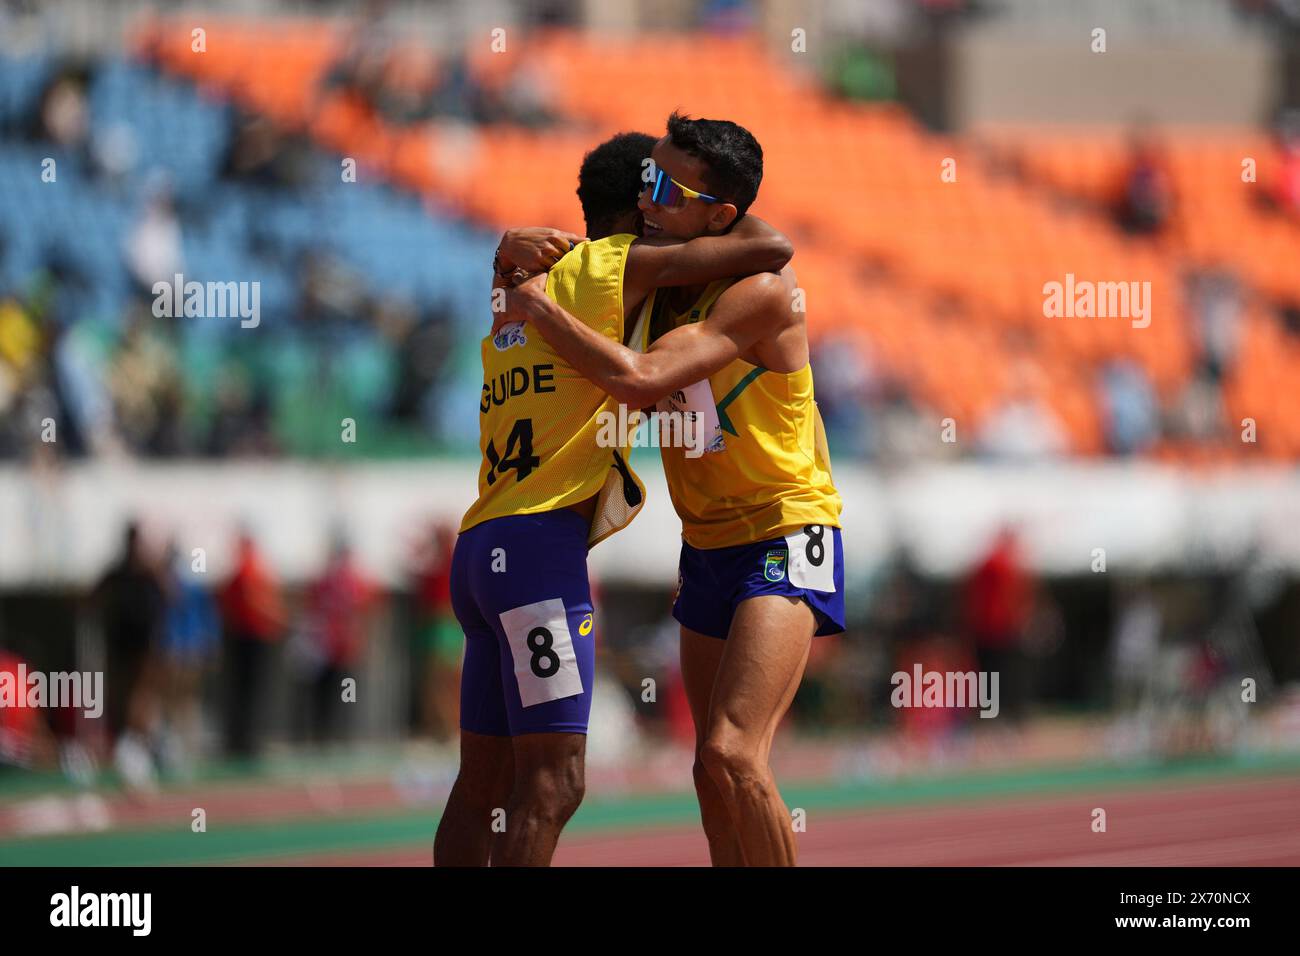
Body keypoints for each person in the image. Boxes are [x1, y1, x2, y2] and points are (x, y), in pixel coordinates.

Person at [434, 130, 793, 867]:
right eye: (653, 189)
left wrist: (507, 249)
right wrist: (697, 208)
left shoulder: (507, 305)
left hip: (480, 552)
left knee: (481, 786)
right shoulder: (612, 263)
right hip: (540, 558)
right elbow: (767, 250)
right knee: (553, 784)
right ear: (636, 206)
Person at [502, 113, 844, 866]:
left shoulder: (759, 292)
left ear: (720, 215)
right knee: (705, 771)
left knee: (732, 753)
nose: (645, 199)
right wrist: (508, 251)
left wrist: (540, 308)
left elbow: (642, 378)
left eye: (663, 186)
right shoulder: (658, 278)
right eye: (644, 180)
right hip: (708, 542)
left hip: (784, 530)